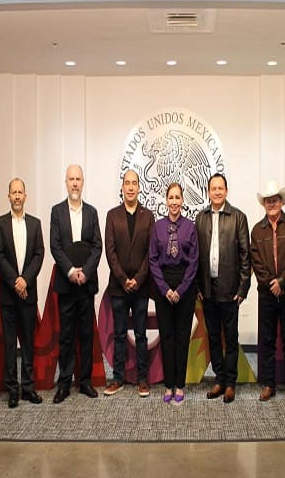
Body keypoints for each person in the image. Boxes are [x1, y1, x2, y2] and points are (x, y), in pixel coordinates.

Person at [195, 173, 251, 404]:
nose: (217, 192)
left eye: (221, 188)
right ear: (208, 192)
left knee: (231, 338)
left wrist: (243, 288)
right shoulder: (200, 218)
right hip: (208, 290)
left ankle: (230, 383)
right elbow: (195, 255)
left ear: (226, 191)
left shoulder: (238, 217)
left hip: (230, 291)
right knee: (214, 338)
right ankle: (219, 379)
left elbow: (245, 255)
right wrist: (198, 286)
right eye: (213, 188)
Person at [50, 164, 102, 404]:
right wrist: (71, 271)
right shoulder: (56, 211)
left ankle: (85, 382)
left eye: (78, 179)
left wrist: (85, 272)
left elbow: (97, 246)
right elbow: (55, 246)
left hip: (86, 285)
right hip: (66, 283)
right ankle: (64, 384)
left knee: (86, 334)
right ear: (66, 182)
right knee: (66, 336)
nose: (74, 183)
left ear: (83, 182)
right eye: (71, 179)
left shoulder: (91, 212)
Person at [250, 180, 285, 404]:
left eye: (275, 200)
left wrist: (282, 281)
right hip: (267, 294)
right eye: (268, 201)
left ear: (281, 202)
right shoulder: (257, 230)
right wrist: (271, 283)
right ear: (264, 204)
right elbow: (256, 261)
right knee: (267, 340)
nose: (272, 204)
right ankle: (268, 384)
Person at [0, 178, 44, 408]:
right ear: (8, 196)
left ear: (25, 196)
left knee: (28, 343)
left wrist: (26, 280)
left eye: (20, 192)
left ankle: (28, 388)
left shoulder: (35, 224)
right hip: (8, 294)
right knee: (10, 345)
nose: (16, 196)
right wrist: (16, 281)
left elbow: (39, 254)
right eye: (13, 192)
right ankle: (12, 390)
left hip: (28, 294)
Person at [103, 170, 155, 398]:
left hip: (142, 286)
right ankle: (118, 378)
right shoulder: (112, 215)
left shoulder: (148, 216)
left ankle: (143, 379)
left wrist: (139, 279)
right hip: (119, 286)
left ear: (139, 187)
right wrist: (124, 279)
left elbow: (151, 252)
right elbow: (110, 251)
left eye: (134, 183)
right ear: (122, 187)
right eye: (127, 183)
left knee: (141, 335)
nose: (131, 187)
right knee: (120, 334)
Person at [149, 182, 198, 403]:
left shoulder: (190, 227)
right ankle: (168, 385)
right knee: (167, 336)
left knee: (181, 337)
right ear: (166, 200)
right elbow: (152, 260)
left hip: (185, 285)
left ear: (182, 201)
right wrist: (165, 289)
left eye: (178, 197)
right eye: (171, 197)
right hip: (163, 285)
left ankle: (180, 385)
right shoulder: (158, 227)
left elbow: (194, 261)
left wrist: (181, 289)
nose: (174, 202)